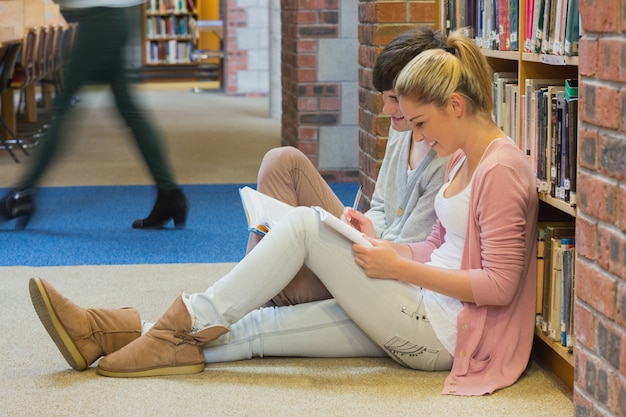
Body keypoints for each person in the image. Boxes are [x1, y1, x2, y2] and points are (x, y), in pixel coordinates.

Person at [29, 29, 539, 395]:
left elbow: (499, 285)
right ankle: (119, 337)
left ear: (454, 105)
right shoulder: (465, 160)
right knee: (258, 334)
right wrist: (390, 249)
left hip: (439, 332)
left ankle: (169, 320)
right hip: (410, 299)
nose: (417, 133)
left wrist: (396, 266)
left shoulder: (500, 168)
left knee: (303, 226)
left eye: (421, 122)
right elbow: (434, 246)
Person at [251, 26, 449, 306]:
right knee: (282, 161)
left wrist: (358, 241)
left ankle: (249, 296)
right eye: (385, 96)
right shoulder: (402, 127)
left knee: (276, 282)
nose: (386, 109)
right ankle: (254, 290)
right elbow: (380, 203)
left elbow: (409, 251)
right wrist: (361, 228)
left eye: (394, 99)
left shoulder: (446, 159)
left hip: (388, 273)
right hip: (370, 245)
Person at [0, 1, 188, 229]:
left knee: (62, 106)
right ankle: (170, 195)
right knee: (129, 110)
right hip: (118, 18)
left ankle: (23, 194)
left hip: (99, 18)